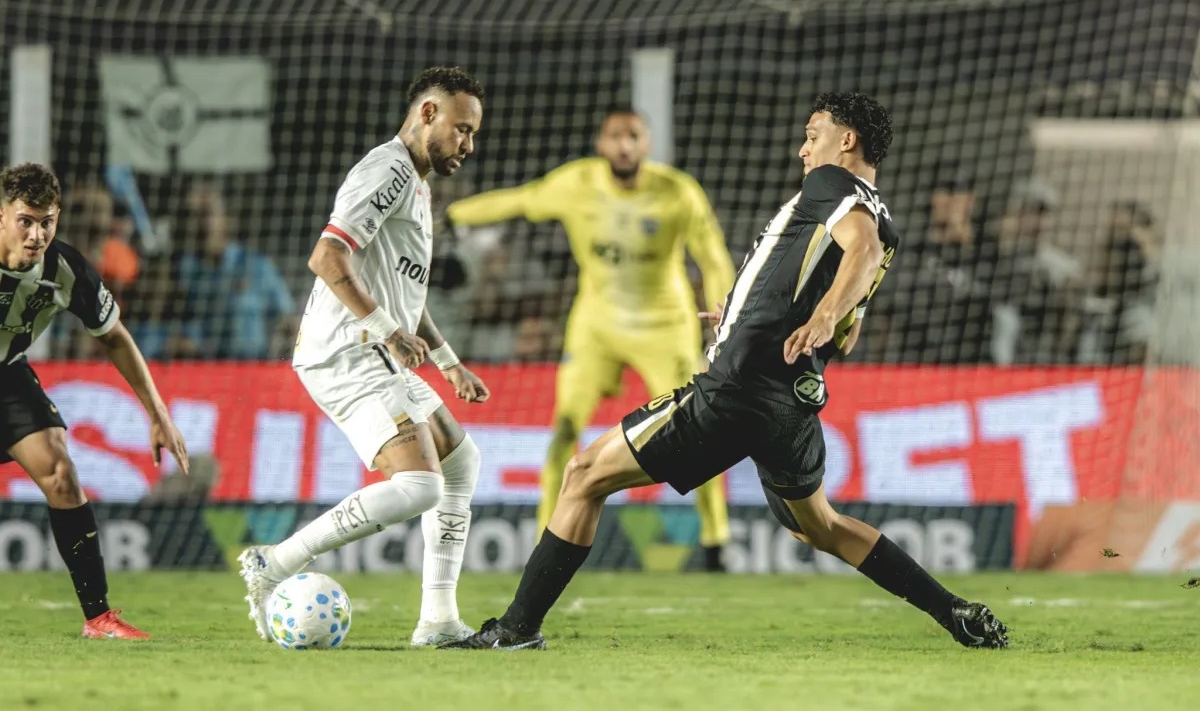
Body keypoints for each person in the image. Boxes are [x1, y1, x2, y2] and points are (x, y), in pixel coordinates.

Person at [443, 92, 1009, 651]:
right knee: (820, 526)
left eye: (812, 136)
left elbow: (854, 256)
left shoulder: (832, 184)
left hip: (740, 387)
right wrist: (749, 315)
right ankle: (953, 611)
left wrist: (819, 315)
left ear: (847, 140)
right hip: (792, 401)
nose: (803, 150)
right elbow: (848, 332)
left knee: (583, 474)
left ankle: (516, 630)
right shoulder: (887, 224)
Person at [238, 66, 492, 647]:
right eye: (462, 129)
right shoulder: (387, 171)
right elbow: (327, 257)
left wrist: (448, 361)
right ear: (428, 113)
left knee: (461, 463)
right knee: (421, 486)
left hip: (375, 347)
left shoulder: (417, 185)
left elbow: (405, 296)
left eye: (474, 134)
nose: (468, 145)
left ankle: (438, 621)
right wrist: (386, 330)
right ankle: (275, 563)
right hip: (347, 349)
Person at [446, 107, 737, 570]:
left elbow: (713, 256)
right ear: (602, 144)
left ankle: (715, 542)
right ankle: (546, 541)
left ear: (646, 144)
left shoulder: (678, 192)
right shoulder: (576, 184)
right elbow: (521, 200)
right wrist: (452, 216)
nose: (624, 145)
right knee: (564, 428)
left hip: (665, 327)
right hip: (597, 326)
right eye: (615, 136)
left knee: (695, 431)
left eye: (633, 136)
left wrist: (727, 314)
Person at [0, 162, 189, 639]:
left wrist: (157, 412)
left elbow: (114, 338)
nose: (37, 234)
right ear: (2, 215)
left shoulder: (66, 269)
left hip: (7, 375)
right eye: (25, 221)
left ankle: (99, 618)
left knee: (60, 473)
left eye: (46, 222)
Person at [174, 184, 298, 360]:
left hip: (252, 366)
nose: (200, 222)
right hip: (202, 368)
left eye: (206, 213)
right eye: (192, 215)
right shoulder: (182, 271)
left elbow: (288, 318)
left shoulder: (257, 267)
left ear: (226, 219)